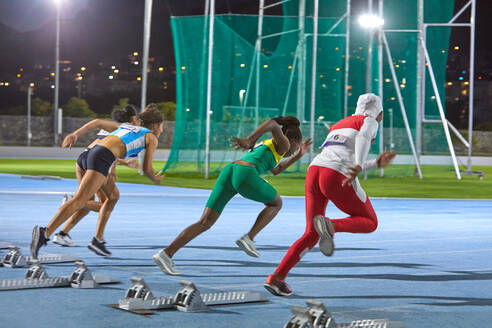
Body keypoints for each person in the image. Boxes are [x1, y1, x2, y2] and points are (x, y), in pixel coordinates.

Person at [264, 93, 396, 296]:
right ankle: (331, 225)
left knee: (311, 232)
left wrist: (372, 164)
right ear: (377, 112)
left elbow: (340, 154)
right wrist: (361, 163)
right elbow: (361, 140)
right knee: (369, 222)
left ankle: (277, 278)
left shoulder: (339, 124)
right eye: (381, 113)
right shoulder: (369, 121)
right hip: (334, 175)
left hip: (314, 171)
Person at [152, 116, 312, 275]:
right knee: (276, 203)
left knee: (205, 222)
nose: (294, 152)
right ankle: (249, 238)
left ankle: (166, 254)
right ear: (292, 140)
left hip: (230, 171)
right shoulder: (283, 144)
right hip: (245, 174)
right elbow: (272, 123)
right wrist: (250, 140)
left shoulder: (269, 145)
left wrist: (299, 155)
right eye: (296, 148)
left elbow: (276, 170)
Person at [30, 105, 165, 259]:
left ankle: (97, 240)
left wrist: (76, 134)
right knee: (80, 201)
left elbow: (98, 125)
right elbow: (147, 170)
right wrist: (156, 179)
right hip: (101, 157)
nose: (161, 130)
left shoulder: (128, 128)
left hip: (91, 154)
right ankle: (44, 232)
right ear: (155, 125)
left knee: (113, 196)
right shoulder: (151, 137)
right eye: (161, 127)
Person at [52, 105, 140, 254]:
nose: (139, 121)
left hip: (84, 159)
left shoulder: (111, 128)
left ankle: (62, 234)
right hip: (97, 164)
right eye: (138, 118)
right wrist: (112, 169)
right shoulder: (127, 129)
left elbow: (103, 148)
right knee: (104, 204)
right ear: (132, 118)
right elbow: (111, 150)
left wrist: (123, 163)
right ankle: (73, 203)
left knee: (88, 204)